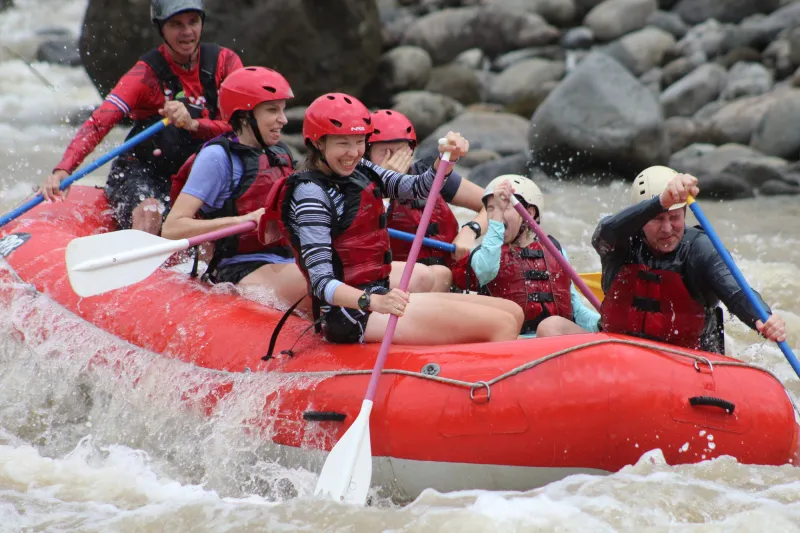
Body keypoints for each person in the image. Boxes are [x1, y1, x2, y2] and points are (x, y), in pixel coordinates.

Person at [262, 93, 524, 345]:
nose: (353, 152)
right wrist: (372, 302)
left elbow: (418, 187)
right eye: (343, 143)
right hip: (350, 314)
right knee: (502, 324)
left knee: (513, 312)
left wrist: (447, 160)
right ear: (318, 143)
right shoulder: (310, 194)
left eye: (359, 142)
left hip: (381, 295)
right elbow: (321, 284)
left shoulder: (362, 170)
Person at [40, 0, 243, 235]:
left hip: (197, 173)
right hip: (143, 171)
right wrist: (64, 169)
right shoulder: (144, 74)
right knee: (150, 211)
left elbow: (240, 127)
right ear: (161, 28)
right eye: (176, 24)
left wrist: (194, 124)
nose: (187, 32)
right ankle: (141, 261)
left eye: (193, 22)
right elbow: (99, 122)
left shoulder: (224, 63)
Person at [589, 165, 786, 353]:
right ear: (641, 217)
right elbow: (604, 231)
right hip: (618, 354)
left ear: (684, 213)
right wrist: (661, 202)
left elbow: (737, 293)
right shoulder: (621, 243)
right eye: (657, 218)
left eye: (674, 217)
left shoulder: (701, 250)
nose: (667, 229)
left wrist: (763, 318)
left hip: (689, 364)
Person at [161, 66, 308, 309]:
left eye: (282, 110)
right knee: (327, 281)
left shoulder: (279, 153)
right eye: (272, 110)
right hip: (241, 269)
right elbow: (172, 229)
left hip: (287, 261)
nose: (283, 119)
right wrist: (243, 221)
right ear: (244, 117)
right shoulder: (217, 158)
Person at [451, 175, 600, 337]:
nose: (495, 214)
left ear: (529, 213)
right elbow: (486, 270)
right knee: (550, 327)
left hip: (555, 340)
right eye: (491, 209)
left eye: (504, 206)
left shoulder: (555, 250)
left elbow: (576, 309)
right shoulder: (483, 253)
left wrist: (600, 323)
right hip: (512, 344)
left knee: (552, 326)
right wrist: (497, 220)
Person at [366, 109, 487, 292]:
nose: (394, 159)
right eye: (384, 151)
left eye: (400, 151)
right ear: (367, 155)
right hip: (397, 287)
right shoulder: (359, 187)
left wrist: (470, 231)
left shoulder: (428, 174)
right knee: (438, 273)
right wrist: (385, 185)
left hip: (446, 281)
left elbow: (492, 204)